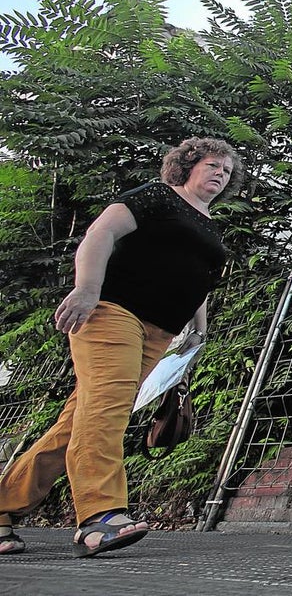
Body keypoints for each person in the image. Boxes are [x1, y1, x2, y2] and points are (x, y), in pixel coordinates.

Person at [0, 137, 244, 558]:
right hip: (114, 313)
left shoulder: (209, 224)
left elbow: (199, 279)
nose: (220, 173)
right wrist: (87, 288)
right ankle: (100, 515)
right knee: (106, 410)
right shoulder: (156, 197)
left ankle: (3, 506)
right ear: (186, 166)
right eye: (212, 165)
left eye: (226, 170)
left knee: (78, 422)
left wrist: (197, 332)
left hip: (159, 332)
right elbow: (103, 231)